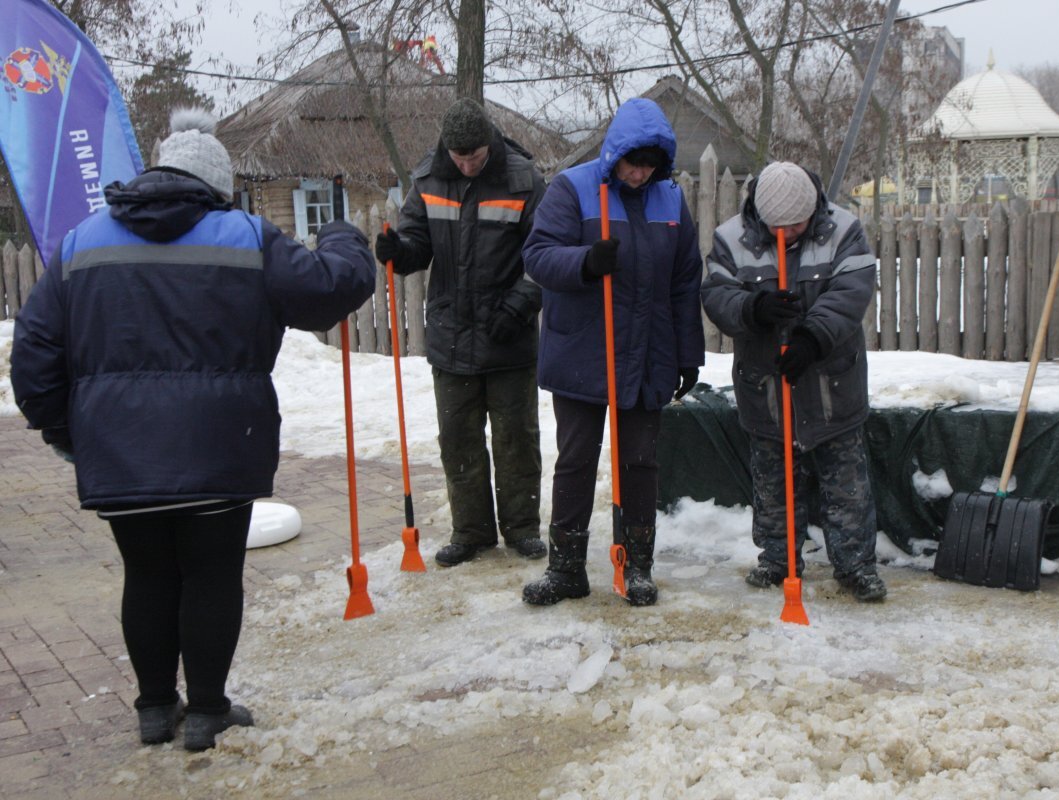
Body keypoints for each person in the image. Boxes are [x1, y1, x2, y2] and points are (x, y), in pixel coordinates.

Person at [9, 108, 377, 750]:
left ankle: (155, 709)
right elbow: (330, 288)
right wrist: (343, 234)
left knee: (147, 575)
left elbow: (33, 353)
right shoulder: (246, 236)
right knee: (210, 576)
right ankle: (206, 711)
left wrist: (67, 432)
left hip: (120, 456)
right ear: (215, 182)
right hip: (219, 447)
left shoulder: (82, 242)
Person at [520, 98, 705, 607]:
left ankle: (637, 566)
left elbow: (686, 280)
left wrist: (688, 354)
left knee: (640, 463)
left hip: (648, 354)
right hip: (583, 350)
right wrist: (585, 261)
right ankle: (565, 570)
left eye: (650, 164)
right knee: (577, 460)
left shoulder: (670, 199)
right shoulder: (573, 188)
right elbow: (536, 256)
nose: (640, 174)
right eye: (633, 162)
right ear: (615, 153)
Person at [700, 161, 886, 602]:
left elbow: (851, 291)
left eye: (797, 225)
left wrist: (811, 335)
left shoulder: (845, 231)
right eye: (777, 227)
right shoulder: (731, 240)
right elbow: (716, 295)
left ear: (813, 208)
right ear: (760, 217)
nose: (786, 235)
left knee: (847, 486)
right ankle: (777, 560)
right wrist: (753, 309)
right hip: (766, 390)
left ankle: (855, 565)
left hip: (830, 388)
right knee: (772, 483)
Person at [374, 98, 547, 568]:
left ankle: (522, 528)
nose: (467, 164)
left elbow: (546, 255)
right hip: (451, 337)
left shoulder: (523, 179)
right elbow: (416, 245)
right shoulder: (430, 179)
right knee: (458, 440)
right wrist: (397, 250)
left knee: (516, 439)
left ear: (488, 143)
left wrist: (518, 305)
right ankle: (470, 531)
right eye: (459, 157)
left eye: (474, 156)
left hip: (508, 336)